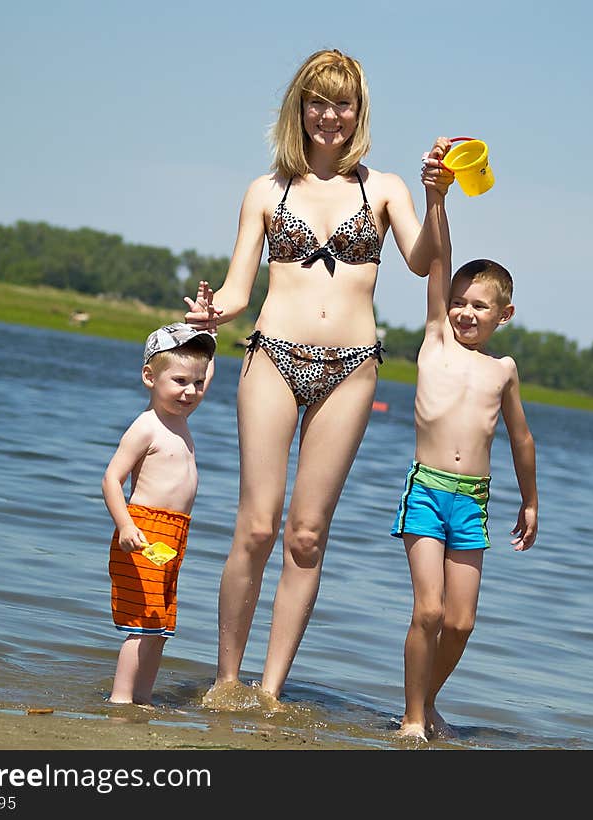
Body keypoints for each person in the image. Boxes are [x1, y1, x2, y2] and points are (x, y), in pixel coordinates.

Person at [184, 49, 452, 703]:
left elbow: (422, 261)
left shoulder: (384, 188)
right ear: (298, 109)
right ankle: (226, 682)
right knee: (257, 526)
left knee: (306, 536)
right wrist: (213, 310)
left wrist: (436, 197)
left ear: (358, 112)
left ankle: (270, 691)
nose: (330, 115)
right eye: (317, 101)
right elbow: (239, 286)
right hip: (273, 354)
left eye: (343, 103)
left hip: (352, 368)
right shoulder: (266, 190)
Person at [391, 141, 538, 740]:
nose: (465, 312)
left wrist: (530, 500)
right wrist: (436, 196)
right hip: (427, 491)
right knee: (427, 610)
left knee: (461, 623)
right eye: (458, 303)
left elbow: (522, 441)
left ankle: (426, 700)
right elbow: (437, 259)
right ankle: (410, 719)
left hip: (473, 501)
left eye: (480, 306)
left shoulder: (501, 370)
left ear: (504, 314)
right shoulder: (435, 342)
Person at [102, 304, 217, 705]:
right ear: (150, 377)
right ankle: (120, 698)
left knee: (160, 625)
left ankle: (143, 698)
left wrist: (208, 328)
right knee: (142, 623)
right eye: (180, 381)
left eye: (198, 384)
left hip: (174, 532)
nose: (190, 391)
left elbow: (206, 364)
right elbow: (111, 479)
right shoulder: (147, 425)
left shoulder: (181, 418)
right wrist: (126, 527)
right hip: (143, 530)